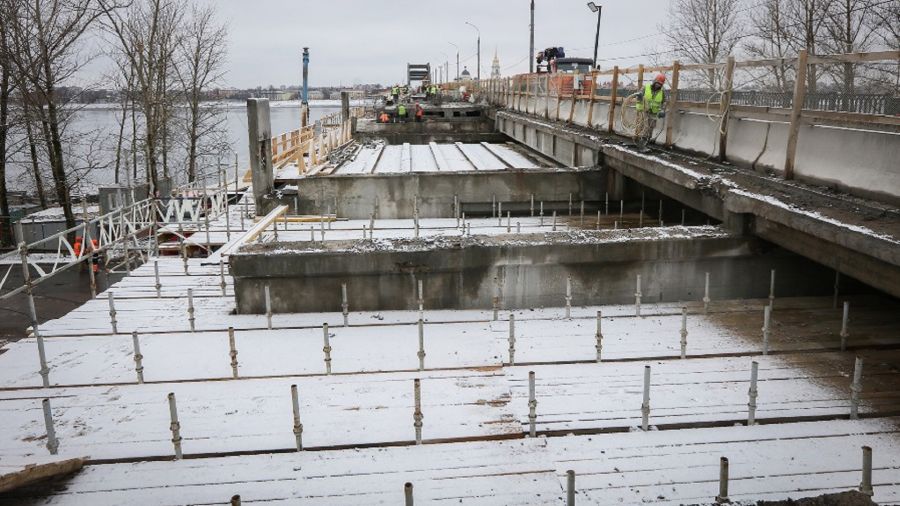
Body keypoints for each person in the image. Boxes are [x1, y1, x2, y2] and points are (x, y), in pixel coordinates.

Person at [634, 73, 667, 148]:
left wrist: (662, 109)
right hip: (645, 110)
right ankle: (641, 141)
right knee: (645, 126)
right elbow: (639, 96)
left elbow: (664, 101)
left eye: (660, 84)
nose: (658, 85)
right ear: (655, 81)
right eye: (657, 83)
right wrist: (639, 101)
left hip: (654, 112)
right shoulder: (646, 87)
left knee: (651, 127)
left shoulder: (662, 92)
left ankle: (646, 141)